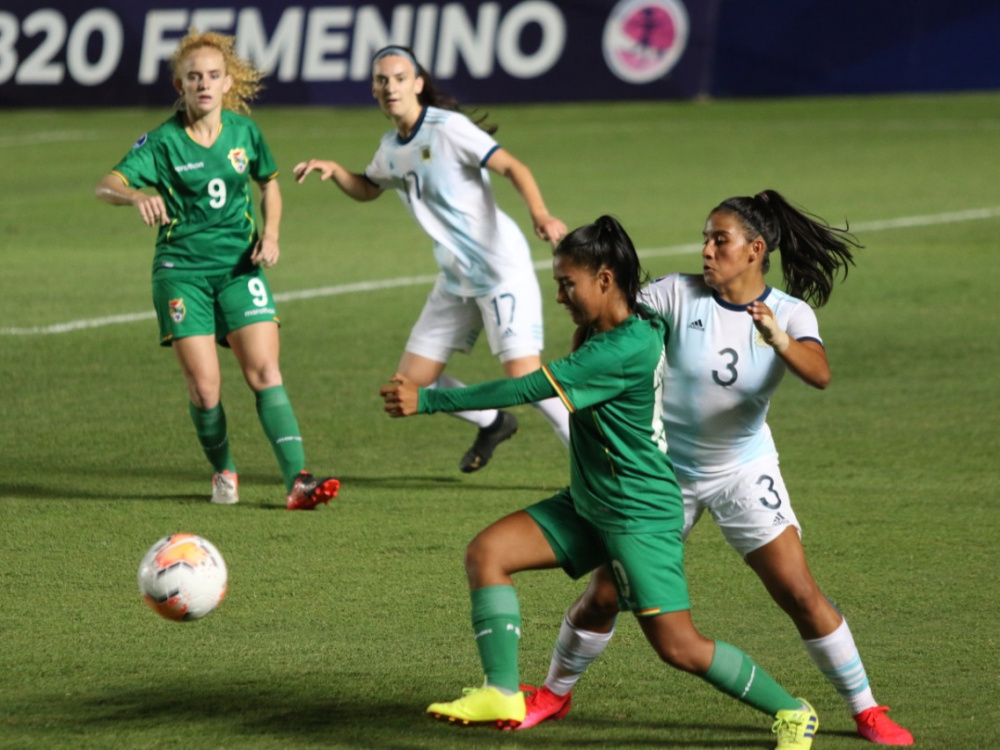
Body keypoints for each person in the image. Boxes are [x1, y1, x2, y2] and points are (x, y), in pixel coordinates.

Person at [380, 215, 819, 749]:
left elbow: (529, 389)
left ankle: (793, 712)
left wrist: (428, 399)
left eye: (569, 284)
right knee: (487, 553)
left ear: (605, 280)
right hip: (592, 502)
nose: (561, 296)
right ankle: (501, 691)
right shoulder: (616, 328)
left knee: (678, 646)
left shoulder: (619, 349)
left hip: (639, 514)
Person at [519, 191, 914, 746]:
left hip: (742, 469)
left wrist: (778, 338)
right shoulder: (675, 295)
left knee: (798, 591)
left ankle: (867, 710)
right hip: (660, 475)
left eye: (718, 240)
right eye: (705, 237)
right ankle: (554, 694)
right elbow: (609, 325)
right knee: (607, 591)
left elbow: (819, 373)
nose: (706, 250)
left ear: (755, 250)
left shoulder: (791, 313)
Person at [94, 29, 339, 511]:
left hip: (238, 269)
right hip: (181, 271)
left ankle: (299, 481)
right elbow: (106, 185)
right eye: (193, 77)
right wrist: (137, 194)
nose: (203, 84)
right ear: (179, 86)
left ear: (228, 82)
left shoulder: (245, 132)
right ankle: (224, 469)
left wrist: (271, 235)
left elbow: (269, 185)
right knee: (205, 388)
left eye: (212, 76)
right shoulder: (162, 143)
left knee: (266, 370)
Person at [295, 44, 570, 473]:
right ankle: (493, 421)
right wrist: (336, 171)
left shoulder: (447, 129)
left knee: (525, 378)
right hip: (456, 276)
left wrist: (540, 213)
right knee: (407, 387)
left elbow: (513, 167)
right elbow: (369, 187)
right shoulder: (391, 147)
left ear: (418, 84)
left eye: (400, 78)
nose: (391, 87)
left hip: (500, 269)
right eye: (383, 80)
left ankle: (597, 463)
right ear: (374, 90)